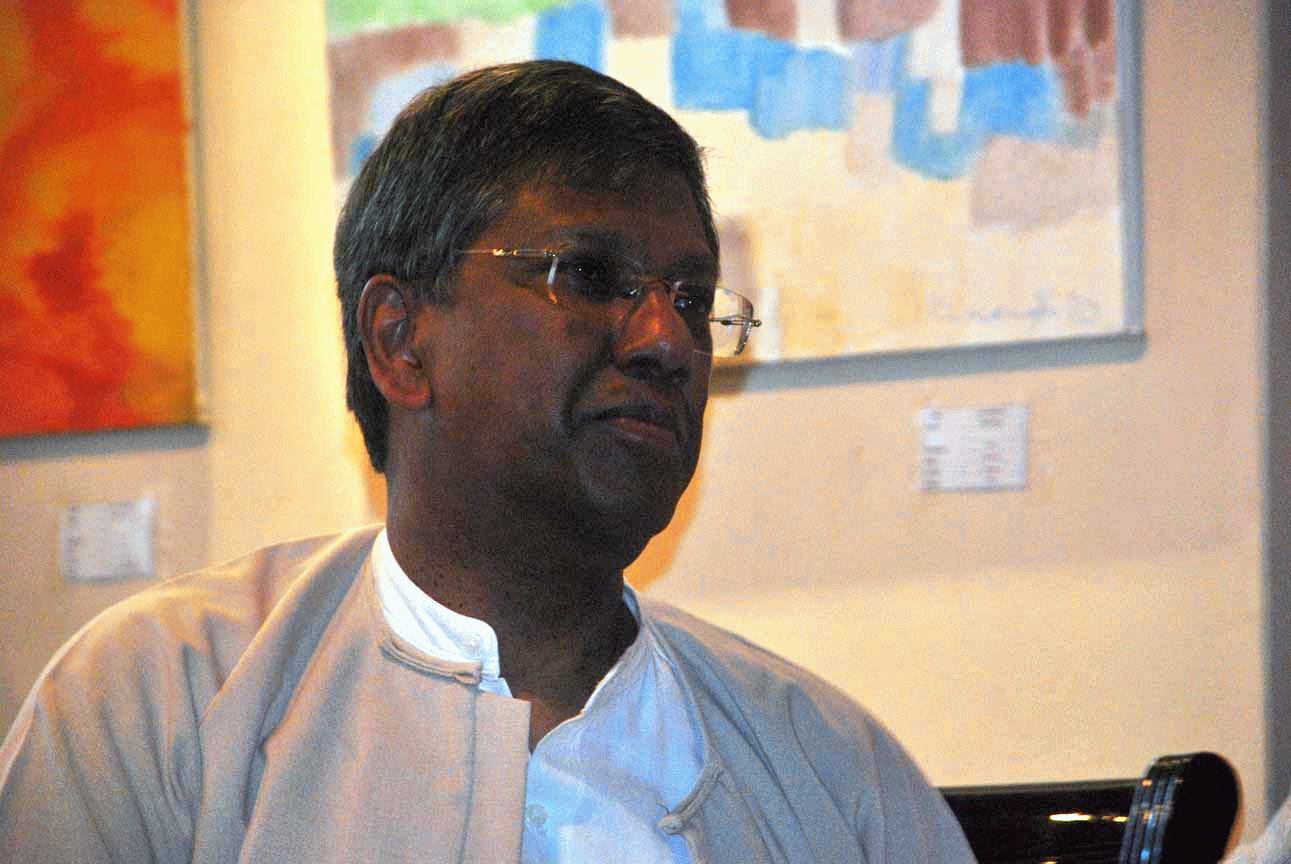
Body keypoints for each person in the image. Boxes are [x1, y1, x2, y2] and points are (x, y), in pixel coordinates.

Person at [0, 60, 976, 864]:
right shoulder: (155, 706)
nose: (666, 341)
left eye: (690, 298)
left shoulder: (832, 772)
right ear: (400, 341)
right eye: (587, 275)